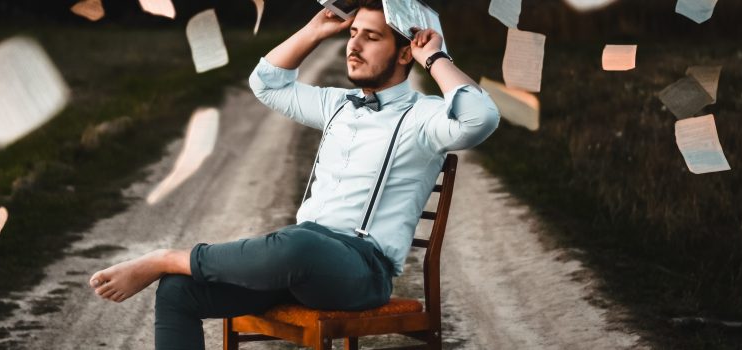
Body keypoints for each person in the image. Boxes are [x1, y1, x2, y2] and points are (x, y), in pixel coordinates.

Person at [88, 1, 499, 348]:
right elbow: (266, 84)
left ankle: (166, 258)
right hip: (301, 263)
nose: (352, 46)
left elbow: (480, 118)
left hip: (361, 269)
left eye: (370, 37)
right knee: (180, 290)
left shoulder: (426, 117)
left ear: (406, 53)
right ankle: (175, 271)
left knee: (296, 244)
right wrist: (315, 30)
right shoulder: (336, 103)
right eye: (352, 34)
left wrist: (436, 58)